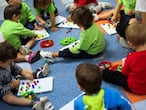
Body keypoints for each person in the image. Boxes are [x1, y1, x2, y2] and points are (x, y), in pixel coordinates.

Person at [40, 6, 106, 62]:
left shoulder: (86, 34)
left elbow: (81, 48)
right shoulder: (91, 23)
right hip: (100, 45)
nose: (75, 24)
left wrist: (70, 49)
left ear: (81, 23)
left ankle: (53, 55)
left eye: (77, 23)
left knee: (69, 52)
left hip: (94, 52)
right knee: (78, 44)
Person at [0, 41, 51, 110]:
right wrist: (11, 85)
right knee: (8, 98)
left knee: (23, 73)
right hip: (4, 89)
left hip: (12, 78)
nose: (11, 63)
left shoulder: (7, 63)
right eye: (10, 63)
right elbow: (1, 91)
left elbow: (15, 67)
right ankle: (33, 102)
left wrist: (24, 73)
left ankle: (36, 74)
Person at [102, 23, 146, 95]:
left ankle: (101, 73)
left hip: (134, 88)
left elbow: (124, 73)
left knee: (114, 76)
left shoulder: (131, 57)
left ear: (130, 44)